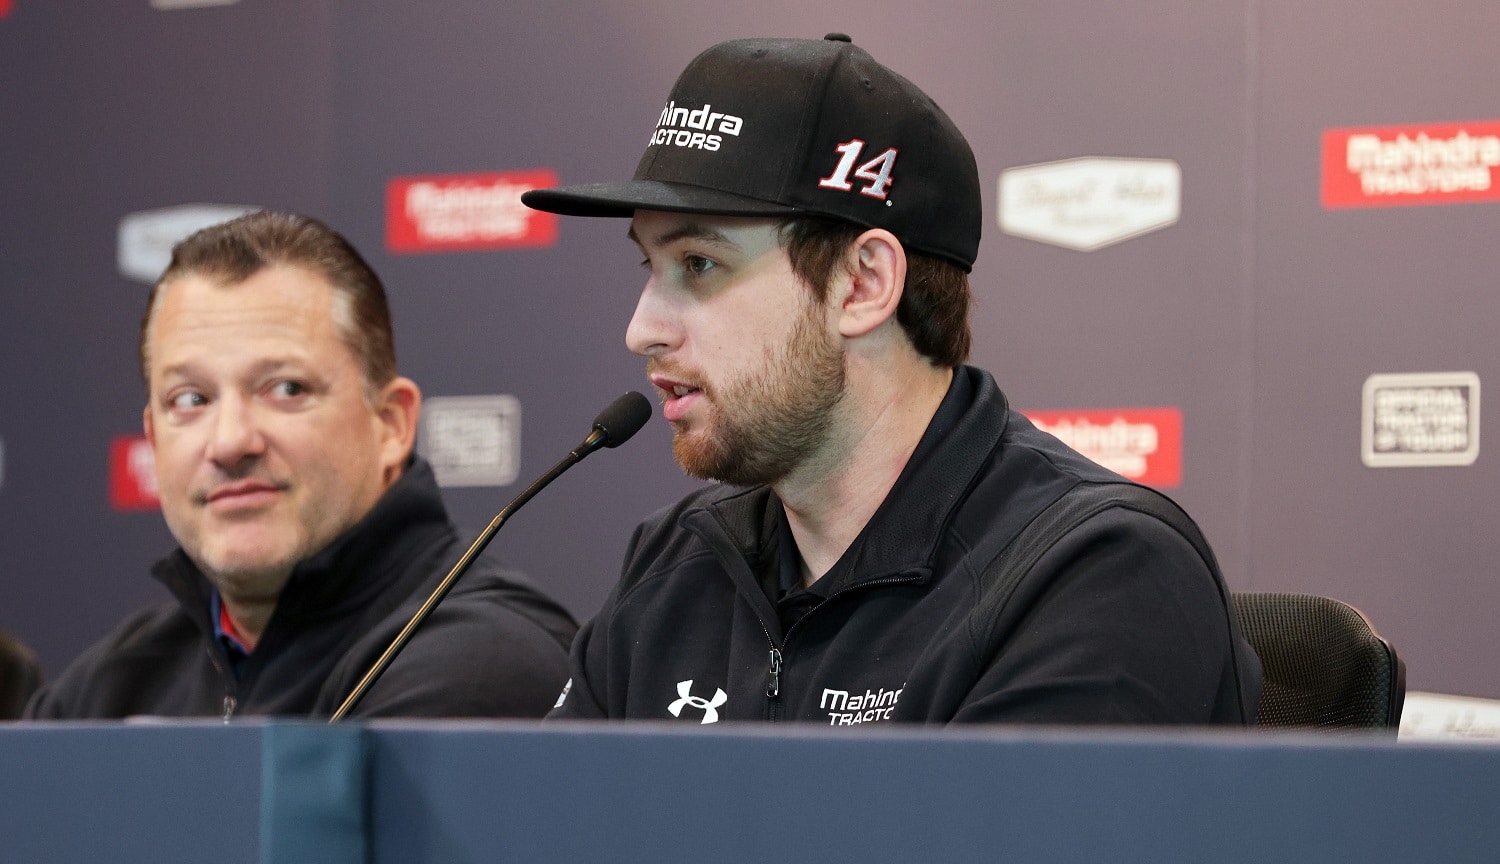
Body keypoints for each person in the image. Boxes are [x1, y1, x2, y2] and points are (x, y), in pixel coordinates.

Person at [523, 34, 1261, 725]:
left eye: (698, 265)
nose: (642, 329)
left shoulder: (1097, 576)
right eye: (648, 266)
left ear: (862, 285)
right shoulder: (670, 569)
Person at [27, 211, 575, 720]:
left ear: (390, 424)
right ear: (153, 436)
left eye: (285, 389)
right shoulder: (110, 685)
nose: (230, 441)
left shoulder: (481, 659)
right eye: (191, 400)